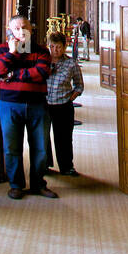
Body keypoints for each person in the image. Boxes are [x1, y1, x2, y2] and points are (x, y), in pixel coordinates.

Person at [0, 14, 57, 200]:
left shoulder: (42, 50)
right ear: (10, 31)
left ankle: (38, 184)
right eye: (17, 28)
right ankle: (16, 185)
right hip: (10, 105)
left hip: (37, 105)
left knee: (41, 147)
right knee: (12, 147)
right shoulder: (1, 50)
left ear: (31, 29)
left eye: (25, 27)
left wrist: (11, 75)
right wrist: (11, 54)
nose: (21, 31)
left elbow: (43, 72)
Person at [45, 32, 83, 176]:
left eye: (59, 47)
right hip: (44, 106)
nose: (55, 50)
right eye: (52, 46)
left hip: (63, 106)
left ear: (64, 47)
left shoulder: (71, 63)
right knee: (43, 138)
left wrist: (70, 98)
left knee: (64, 139)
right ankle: (45, 165)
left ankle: (67, 166)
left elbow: (79, 85)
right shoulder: (42, 61)